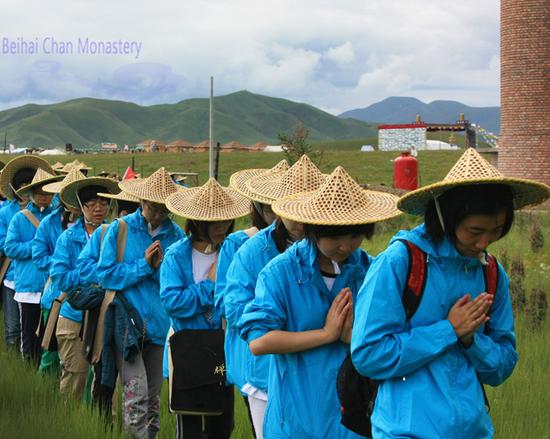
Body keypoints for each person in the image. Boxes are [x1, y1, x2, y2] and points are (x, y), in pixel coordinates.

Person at [350, 148, 550, 439]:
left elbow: (503, 365)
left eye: (496, 231)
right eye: (474, 231)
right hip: (405, 430)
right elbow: (368, 355)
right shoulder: (401, 262)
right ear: (445, 217)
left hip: (473, 430)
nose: (484, 242)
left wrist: (471, 340)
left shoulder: (491, 274)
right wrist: (448, 331)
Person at [239, 166, 400, 438]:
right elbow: (259, 341)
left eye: (355, 235)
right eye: (335, 236)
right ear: (313, 229)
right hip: (297, 416)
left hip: (353, 418)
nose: (345, 246)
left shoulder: (369, 272)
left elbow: (390, 340)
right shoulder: (281, 273)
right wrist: (326, 334)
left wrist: (356, 338)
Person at [225, 155, 326, 438]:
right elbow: (235, 310)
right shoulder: (253, 251)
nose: (301, 218)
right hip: (266, 370)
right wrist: (293, 320)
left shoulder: (331, 250)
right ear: (278, 208)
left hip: (317, 366)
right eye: (293, 208)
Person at [160, 177, 250, 439]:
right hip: (188, 350)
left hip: (221, 350)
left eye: (226, 220)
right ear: (199, 223)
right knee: (189, 428)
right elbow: (172, 302)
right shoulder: (177, 255)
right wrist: (209, 285)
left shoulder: (233, 252)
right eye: (216, 222)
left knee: (222, 425)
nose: (223, 227)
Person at [97, 168, 183, 439]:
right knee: (136, 394)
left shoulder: (177, 236)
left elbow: (177, 281)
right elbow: (105, 274)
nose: (157, 214)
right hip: (126, 327)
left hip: (159, 326)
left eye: (162, 210)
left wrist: (157, 270)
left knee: (154, 399)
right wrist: (143, 266)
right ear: (141, 202)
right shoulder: (119, 230)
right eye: (152, 208)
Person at [214, 160, 288, 436]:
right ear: (258, 207)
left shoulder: (311, 244)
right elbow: (226, 303)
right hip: (257, 359)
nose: (277, 213)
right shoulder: (241, 244)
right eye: (270, 207)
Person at [50, 176, 119, 399]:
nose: (98, 209)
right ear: (81, 207)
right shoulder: (68, 238)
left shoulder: (116, 234)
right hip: (75, 314)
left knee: (105, 381)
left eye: (103, 203)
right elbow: (60, 277)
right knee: (74, 375)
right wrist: (96, 277)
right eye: (91, 205)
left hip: (107, 316)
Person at [5, 164, 61, 365]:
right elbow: (10, 248)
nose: (43, 197)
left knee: (50, 336)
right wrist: (37, 246)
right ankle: (29, 372)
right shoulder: (20, 218)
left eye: (47, 193)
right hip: (28, 285)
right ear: (30, 194)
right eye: (38, 193)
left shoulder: (57, 219)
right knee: (28, 335)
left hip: (52, 285)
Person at [33, 167, 86, 375]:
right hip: (55, 296)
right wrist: (60, 266)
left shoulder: (99, 226)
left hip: (86, 300)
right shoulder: (49, 223)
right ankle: (44, 394)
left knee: (83, 356)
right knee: (51, 353)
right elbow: (38, 256)